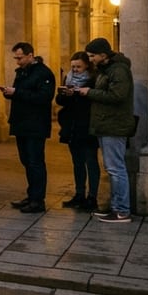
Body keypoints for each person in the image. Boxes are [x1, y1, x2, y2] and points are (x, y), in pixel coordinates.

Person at [80, 37, 135, 223]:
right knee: (112, 168)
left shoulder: (119, 70)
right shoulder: (106, 69)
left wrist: (90, 93)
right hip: (106, 124)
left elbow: (118, 95)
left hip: (114, 125)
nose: (90, 59)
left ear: (103, 55)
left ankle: (122, 210)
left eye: (92, 55)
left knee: (116, 168)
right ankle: (115, 207)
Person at [1, 42, 56, 213]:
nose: (17, 61)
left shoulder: (44, 73)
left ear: (30, 55)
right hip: (21, 123)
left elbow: (44, 97)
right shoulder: (22, 72)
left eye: (20, 58)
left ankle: (38, 200)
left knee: (35, 161)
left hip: (35, 124)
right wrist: (9, 93)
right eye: (15, 58)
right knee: (26, 161)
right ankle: (31, 195)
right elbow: (22, 93)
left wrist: (17, 93)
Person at [57, 51, 99, 211]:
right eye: (73, 66)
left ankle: (92, 197)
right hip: (72, 126)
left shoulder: (94, 80)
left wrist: (81, 93)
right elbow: (59, 100)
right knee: (77, 162)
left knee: (91, 161)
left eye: (78, 67)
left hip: (88, 126)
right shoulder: (68, 78)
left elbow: (95, 100)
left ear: (86, 66)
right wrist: (67, 94)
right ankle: (79, 194)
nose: (75, 70)